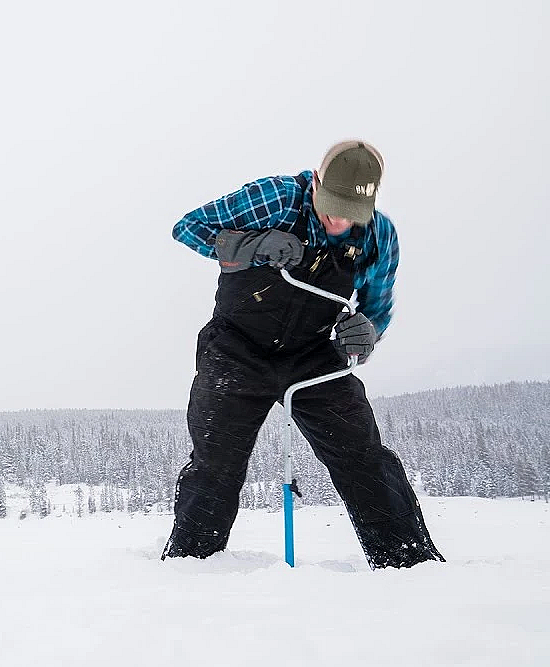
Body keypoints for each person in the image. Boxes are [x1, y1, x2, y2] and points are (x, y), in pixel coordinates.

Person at [162, 140, 444, 569]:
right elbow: (190, 228)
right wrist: (252, 245)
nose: (338, 220)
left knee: (363, 456)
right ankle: (188, 567)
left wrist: (366, 332)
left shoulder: (378, 235)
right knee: (215, 464)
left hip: (313, 356)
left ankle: (411, 565)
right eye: (331, 205)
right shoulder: (275, 198)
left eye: (350, 211)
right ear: (315, 182)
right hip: (235, 350)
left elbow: (377, 308)